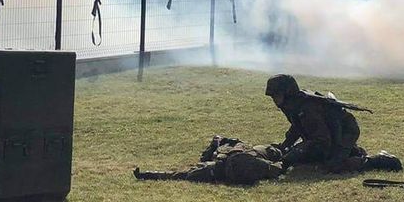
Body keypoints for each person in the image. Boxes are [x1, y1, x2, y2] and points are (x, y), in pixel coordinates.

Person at [264, 74, 377, 172]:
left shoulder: (307, 108)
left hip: (346, 130)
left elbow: (321, 139)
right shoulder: (293, 104)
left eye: (277, 95)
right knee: (311, 159)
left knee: (334, 166)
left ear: (287, 93)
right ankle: (351, 151)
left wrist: (292, 154)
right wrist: (285, 146)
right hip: (331, 131)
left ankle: (377, 160)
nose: (274, 99)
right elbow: (297, 127)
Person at [133, 136, 285, 185]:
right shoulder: (259, 158)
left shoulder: (257, 157)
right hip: (222, 165)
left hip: (221, 165)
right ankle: (148, 175)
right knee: (185, 175)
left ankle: (148, 175)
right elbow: (276, 170)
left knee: (185, 175)